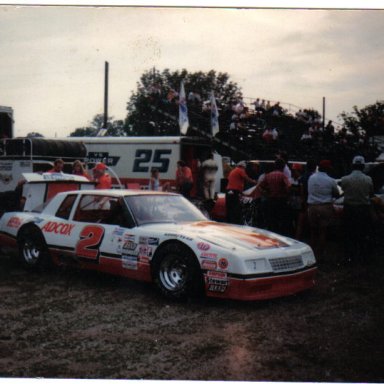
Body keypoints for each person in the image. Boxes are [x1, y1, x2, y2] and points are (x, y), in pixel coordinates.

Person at [340, 155, 374, 262]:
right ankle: (363, 257)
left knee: (349, 234)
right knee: (363, 234)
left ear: (352, 165)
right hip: (363, 210)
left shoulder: (345, 179)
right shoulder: (368, 179)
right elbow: (371, 193)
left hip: (349, 210)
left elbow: (342, 191)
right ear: (363, 166)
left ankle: (349, 256)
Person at [307, 159, 340, 258]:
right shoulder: (330, 180)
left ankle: (311, 254)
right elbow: (337, 194)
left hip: (312, 207)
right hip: (325, 207)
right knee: (322, 232)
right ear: (327, 169)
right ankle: (320, 254)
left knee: (313, 232)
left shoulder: (311, 178)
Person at [257, 158, 291, 235]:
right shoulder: (283, 176)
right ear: (282, 167)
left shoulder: (268, 175)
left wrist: (266, 193)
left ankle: (272, 236)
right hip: (281, 201)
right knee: (281, 221)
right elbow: (288, 187)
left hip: (270, 200)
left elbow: (260, 186)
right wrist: (287, 195)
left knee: (272, 221)